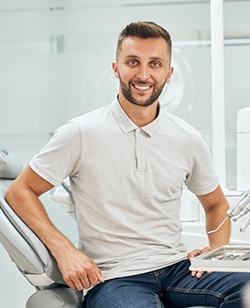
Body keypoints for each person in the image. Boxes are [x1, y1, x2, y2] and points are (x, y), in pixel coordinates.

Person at [5, 21, 250, 308]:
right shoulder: (81, 133)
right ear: (116, 68)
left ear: (169, 74)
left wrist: (214, 252)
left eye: (155, 64)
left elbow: (216, 204)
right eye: (133, 62)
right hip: (115, 278)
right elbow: (20, 191)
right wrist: (65, 250)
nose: (143, 74)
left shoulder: (187, 138)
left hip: (178, 268)